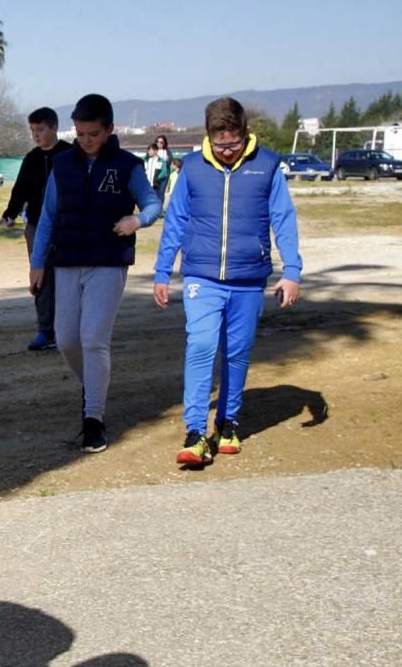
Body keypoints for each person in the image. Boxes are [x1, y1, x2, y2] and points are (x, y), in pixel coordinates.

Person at [153, 96, 302, 465]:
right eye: (220, 145)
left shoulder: (266, 165)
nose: (227, 152)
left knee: (236, 353)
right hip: (202, 276)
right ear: (208, 137)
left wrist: (292, 272)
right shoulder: (191, 167)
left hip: (249, 278)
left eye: (233, 144)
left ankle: (228, 421)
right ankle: (194, 432)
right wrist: (162, 270)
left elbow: (283, 219)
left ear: (244, 134)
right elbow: (176, 222)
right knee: (201, 345)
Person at [28, 93, 162, 453]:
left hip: (108, 261)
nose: (85, 140)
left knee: (93, 340)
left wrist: (137, 220)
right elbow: (48, 218)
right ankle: (94, 385)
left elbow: (152, 203)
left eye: (93, 134)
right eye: (80, 133)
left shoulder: (127, 165)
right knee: (67, 339)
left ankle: (94, 419)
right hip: (67, 262)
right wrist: (37, 262)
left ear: (109, 130)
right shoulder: (63, 166)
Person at [2, 107, 74, 351]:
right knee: (40, 275)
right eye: (32, 130)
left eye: (40, 129)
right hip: (35, 225)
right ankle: (45, 329)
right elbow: (19, 189)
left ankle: (69, 328)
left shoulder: (69, 155)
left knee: (68, 276)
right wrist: (10, 212)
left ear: (54, 128)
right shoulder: (31, 159)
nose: (36, 134)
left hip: (67, 226)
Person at [154, 134, 174, 205]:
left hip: (165, 174)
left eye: (161, 142)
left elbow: (171, 161)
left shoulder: (167, 151)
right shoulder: (153, 150)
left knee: (161, 192)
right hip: (155, 175)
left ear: (164, 143)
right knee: (154, 192)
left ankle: (159, 209)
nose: (159, 143)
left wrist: (165, 161)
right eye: (157, 141)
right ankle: (154, 209)